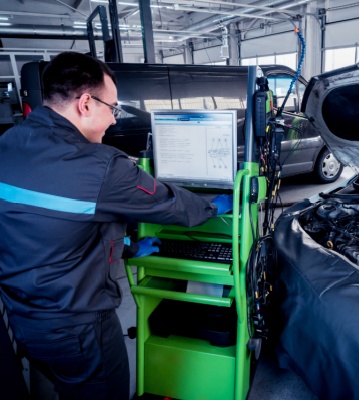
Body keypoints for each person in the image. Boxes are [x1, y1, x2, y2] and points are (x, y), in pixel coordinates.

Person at [0, 52, 233, 400]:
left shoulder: (9, 142)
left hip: (23, 318)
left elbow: (53, 228)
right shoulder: (100, 165)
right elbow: (168, 204)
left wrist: (130, 248)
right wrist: (213, 206)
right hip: (78, 326)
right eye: (112, 108)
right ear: (85, 104)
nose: (113, 120)